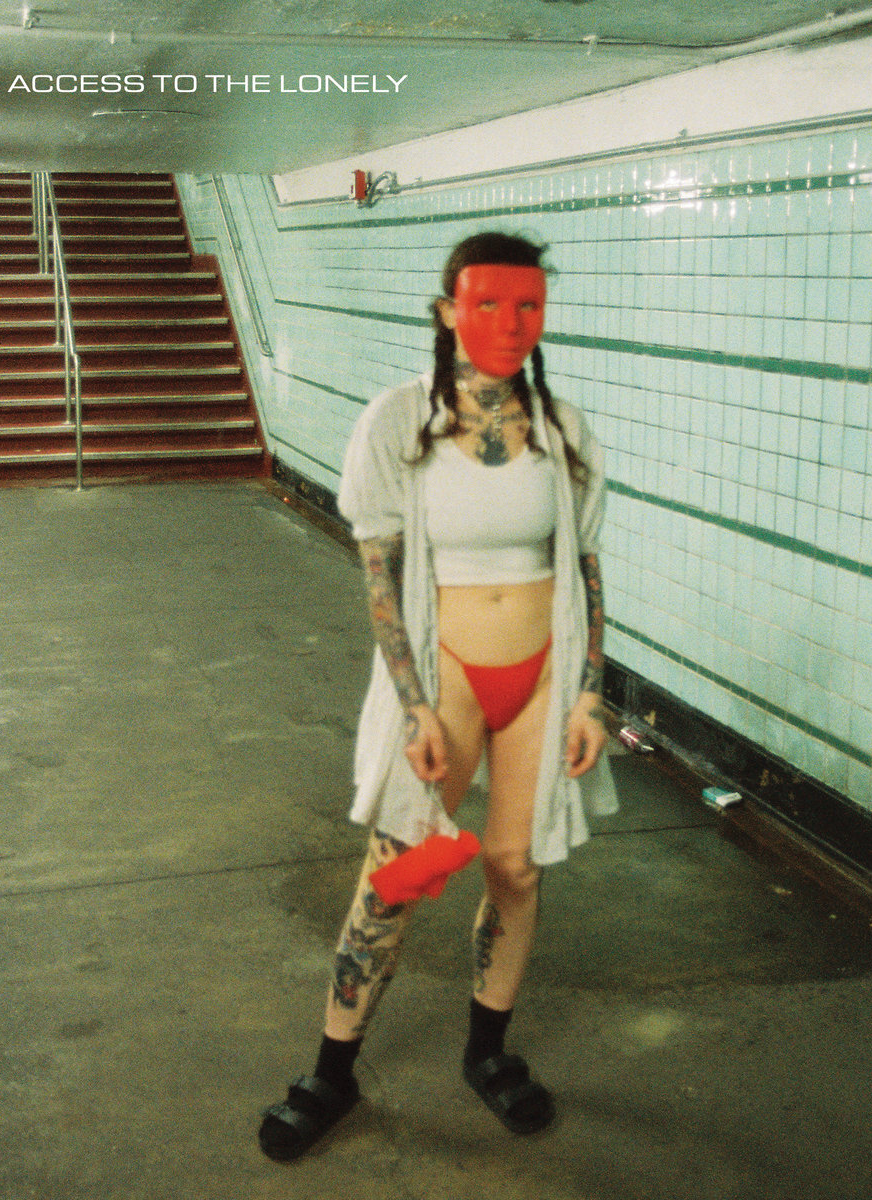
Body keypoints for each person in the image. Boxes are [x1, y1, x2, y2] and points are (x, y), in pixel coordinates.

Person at [258, 231, 618, 1161]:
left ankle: (486, 1052)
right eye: (487, 303)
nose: (509, 322)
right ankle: (331, 1072)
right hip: (444, 670)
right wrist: (412, 702)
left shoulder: (563, 428)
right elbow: (379, 573)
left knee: (515, 867)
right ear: (448, 311)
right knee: (401, 871)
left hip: (542, 673)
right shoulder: (398, 421)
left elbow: (583, 568)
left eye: (527, 305)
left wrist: (589, 693)